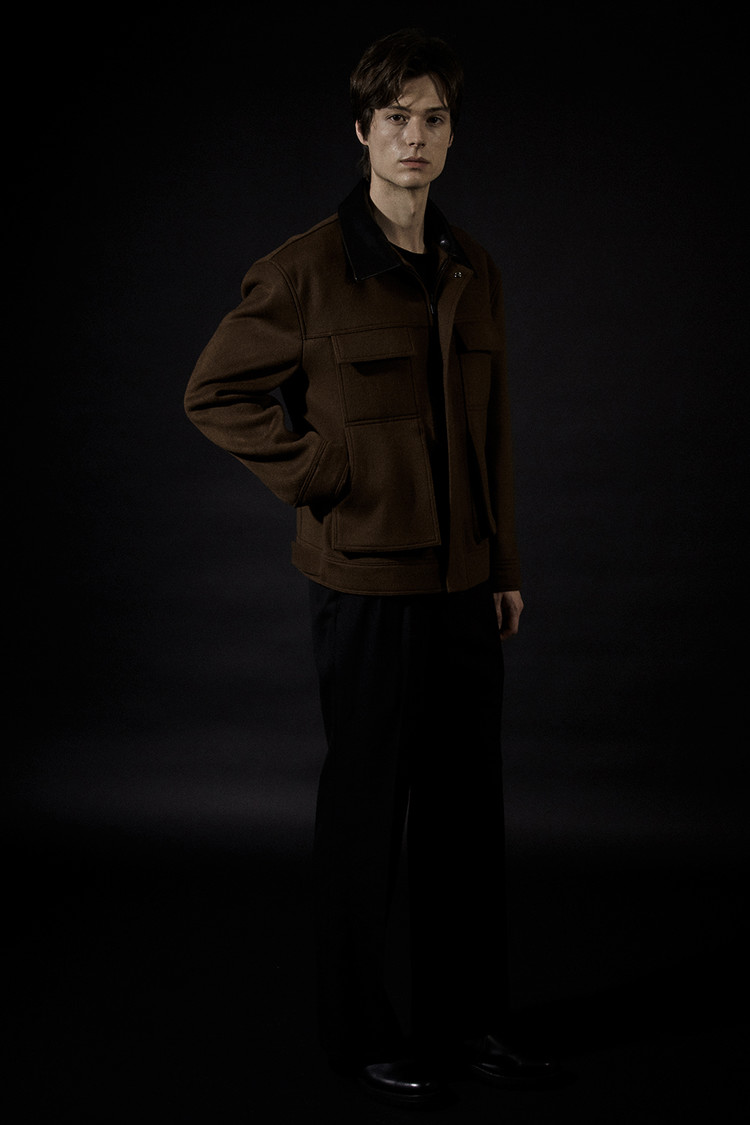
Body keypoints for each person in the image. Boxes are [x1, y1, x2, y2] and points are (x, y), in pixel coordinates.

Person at [185, 27, 555, 1109]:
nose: (415, 137)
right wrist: (324, 473)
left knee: (466, 820)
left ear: (451, 135)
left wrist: (503, 560)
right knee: (364, 820)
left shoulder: (472, 266)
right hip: (365, 587)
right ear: (363, 130)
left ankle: (468, 1024)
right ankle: (360, 1037)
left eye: (434, 118)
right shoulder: (305, 269)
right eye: (396, 118)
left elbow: (492, 429)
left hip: (463, 585)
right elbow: (214, 394)